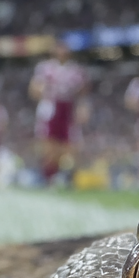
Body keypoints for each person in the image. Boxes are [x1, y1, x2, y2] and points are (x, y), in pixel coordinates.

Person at [29, 40, 89, 187]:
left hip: (68, 107)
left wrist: (82, 107)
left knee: (71, 146)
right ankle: (50, 178)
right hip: (51, 106)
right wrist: (43, 92)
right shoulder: (45, 68)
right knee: (49, 145)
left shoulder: (75, 70)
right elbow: (34, 89)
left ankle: (66, 177)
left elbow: (83, 90)